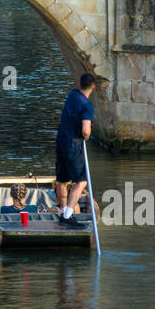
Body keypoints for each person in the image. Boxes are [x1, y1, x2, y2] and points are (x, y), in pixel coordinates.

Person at [54, 72, 96, 222]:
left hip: (61, 141)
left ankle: (63, 210)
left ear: (79, 84)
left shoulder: (72, 95)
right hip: (74, 145)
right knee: (82, 182)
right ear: (93, 87)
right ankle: (67, 215)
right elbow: (86, 130)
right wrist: (86, 136)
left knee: (61, 180)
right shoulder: (87, 106)